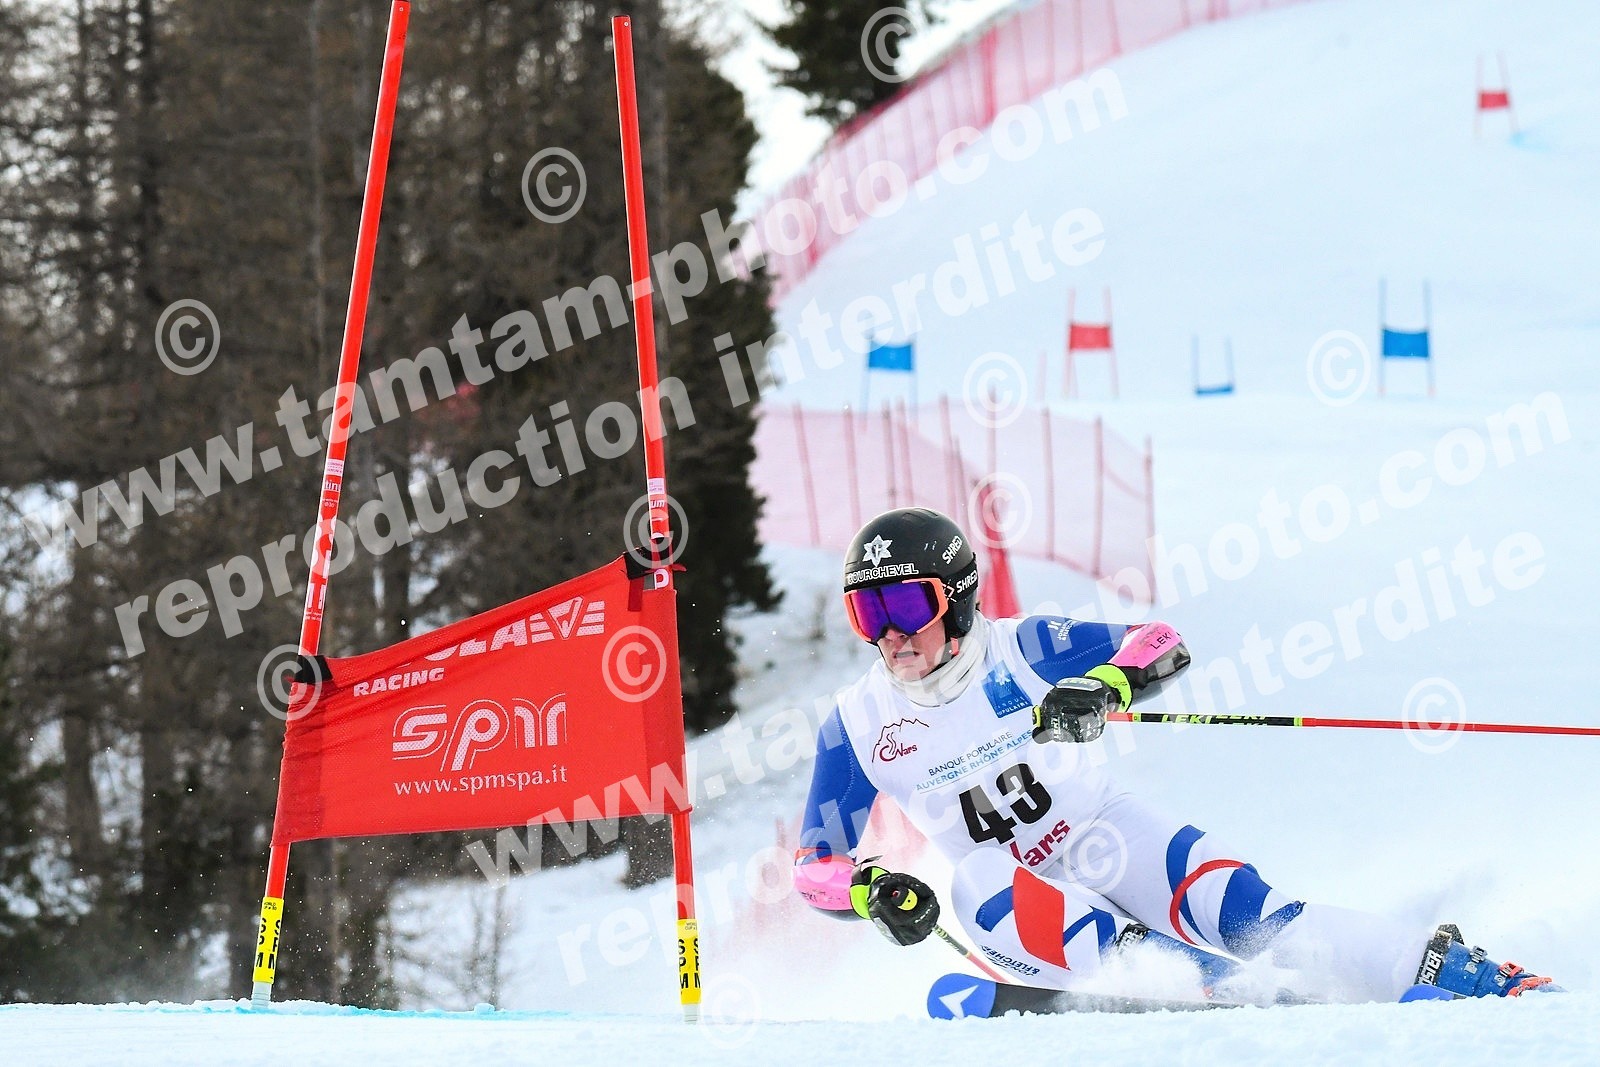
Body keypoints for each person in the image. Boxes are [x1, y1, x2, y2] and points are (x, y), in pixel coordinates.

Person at [793, 507, 1554, 1002]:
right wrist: (868, 889)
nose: (890, 634)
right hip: (1016, 906)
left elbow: (1158, 641)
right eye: (868, 612)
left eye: (907, 605)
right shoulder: (857, 725)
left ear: (958, 600)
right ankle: (1211, 986)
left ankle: (1462, 974)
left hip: (1103, 832)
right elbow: (812, 865)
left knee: (1255, 915)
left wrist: (1104, 684)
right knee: (974, 876)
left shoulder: (1022, 649)